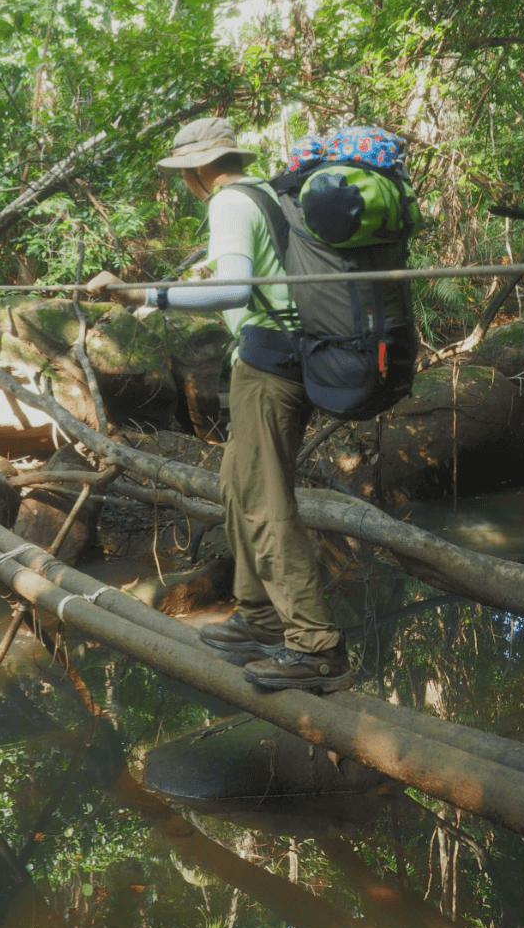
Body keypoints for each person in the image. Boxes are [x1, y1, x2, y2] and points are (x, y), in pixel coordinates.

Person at [88, 116, 353, 694]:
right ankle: (259, 620)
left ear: (197, 170)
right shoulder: (266, 192)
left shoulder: (231, 202)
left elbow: (234, 288)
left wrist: (144, 293)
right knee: (238, 488)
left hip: (270, 368)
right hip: (280, 357)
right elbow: (251, 287)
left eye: (184, 172)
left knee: (264, 504)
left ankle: (315, 647)